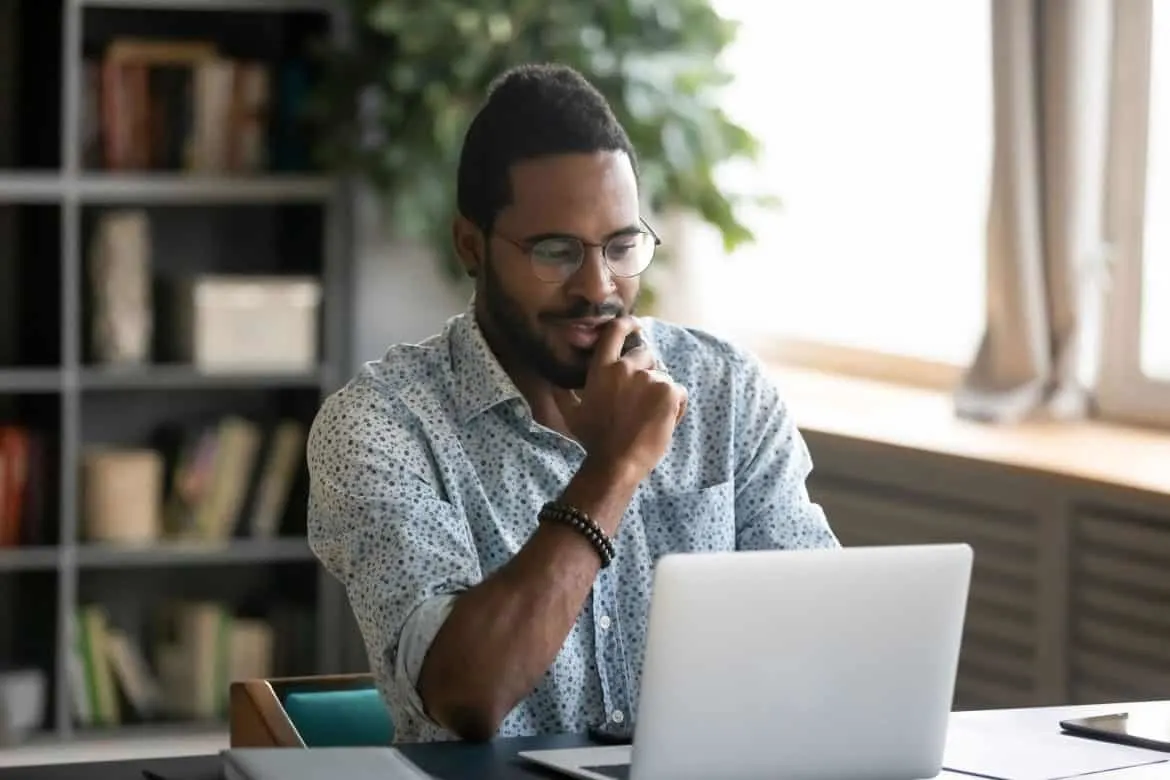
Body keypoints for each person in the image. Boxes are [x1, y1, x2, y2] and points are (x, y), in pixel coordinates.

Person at [306, 62, 839, 744]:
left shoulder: (726, 392)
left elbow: (822, 644)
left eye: (622, 246)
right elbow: (465, 694)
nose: (598, 286)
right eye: (556, 251)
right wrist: (614, 469)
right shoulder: (381, 427)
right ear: (471, 245)